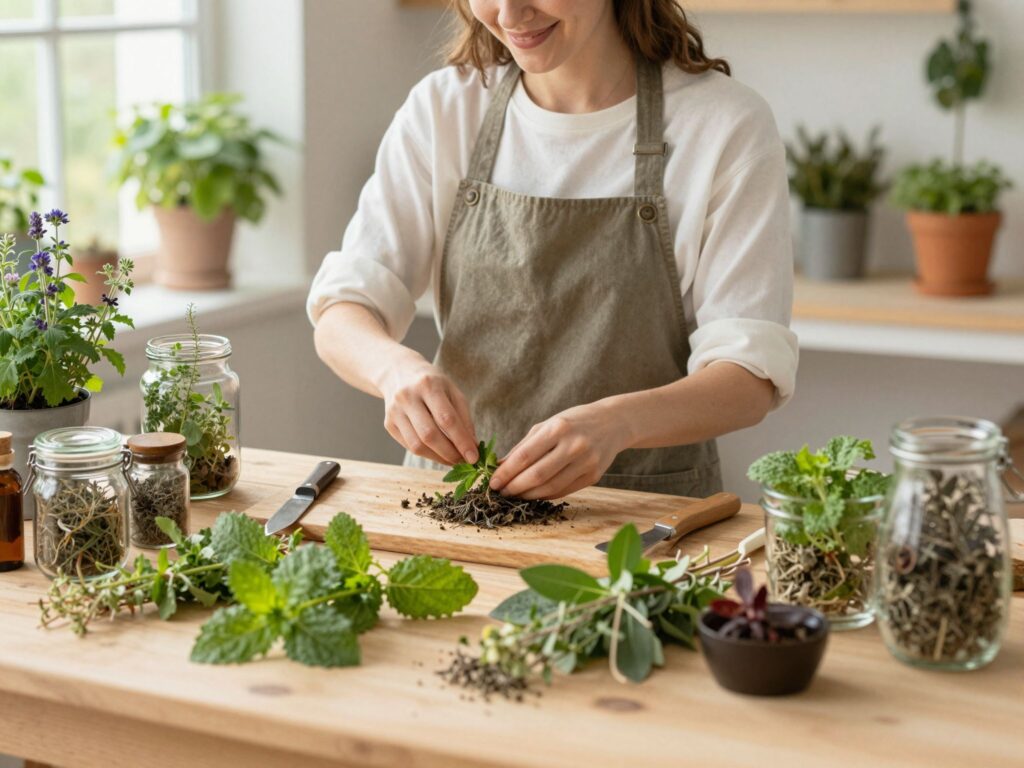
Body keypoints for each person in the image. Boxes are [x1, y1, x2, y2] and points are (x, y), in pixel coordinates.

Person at [308, 0, 798, 501]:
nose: (509, 14)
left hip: (644, 516)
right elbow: (344, 309)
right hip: (458, 504)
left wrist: (619, 423)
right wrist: (395, 371)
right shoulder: (445, 108)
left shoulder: (723, 124)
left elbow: (748, 378)